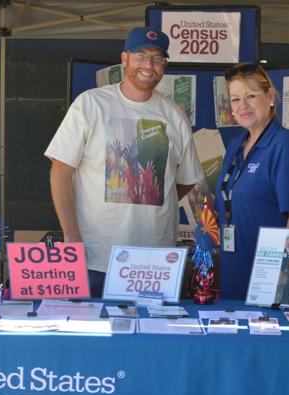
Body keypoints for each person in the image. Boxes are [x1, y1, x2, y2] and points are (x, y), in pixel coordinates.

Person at [45, 26, 203, 296]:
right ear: (125, 58)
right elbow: (60, 171)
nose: (149, 65)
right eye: (141, 56)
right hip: (95, 259)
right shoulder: (90, 104)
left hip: (154, 262)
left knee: (153, 337)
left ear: (164, 66)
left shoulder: (174, 115)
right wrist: (70, 236)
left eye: (157, 58)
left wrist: (154, 195)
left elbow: (187, 180)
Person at [214, 62, 289, 300]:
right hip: (233, 267)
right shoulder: (237, 145)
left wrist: (285, 285)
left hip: (267, 278)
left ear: (270, 96)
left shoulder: (285, 149)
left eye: (250, 96)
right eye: (235, 99)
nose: (242, 106)